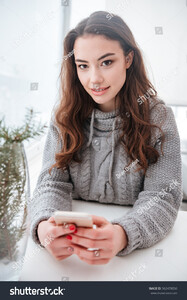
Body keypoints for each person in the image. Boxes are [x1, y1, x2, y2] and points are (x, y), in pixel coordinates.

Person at [28, 11, 182, 265]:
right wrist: (44, 226)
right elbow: (51, 184)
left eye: (106, 62)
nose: (94, 79)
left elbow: (162, 198)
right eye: (83, 66)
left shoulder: (160, 117)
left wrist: (122, 235)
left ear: (128, 58)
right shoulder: (64, 117)